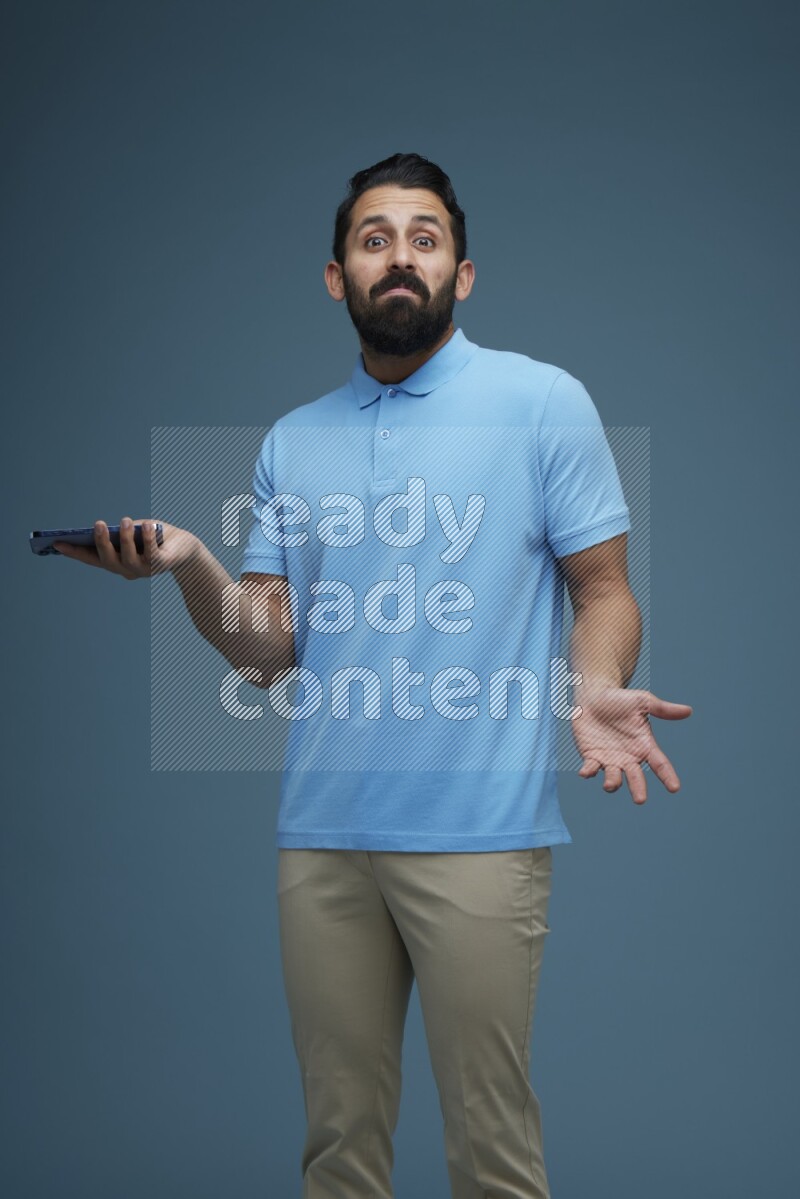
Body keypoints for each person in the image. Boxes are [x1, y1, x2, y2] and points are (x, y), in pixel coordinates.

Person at [57, 152, 691, 1199]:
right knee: (337, 1150)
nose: (400, 256)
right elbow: (263, 649)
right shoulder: (291, 440)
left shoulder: (541, 402)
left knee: (491, 1152)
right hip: (322, 842)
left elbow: (603, 589)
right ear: (336, 274)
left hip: (480, 835)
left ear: (463, 273)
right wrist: (188, 564)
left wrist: (592, 684)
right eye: (374, 237)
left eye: (424, 238)